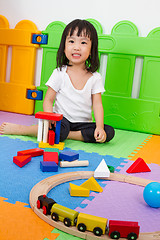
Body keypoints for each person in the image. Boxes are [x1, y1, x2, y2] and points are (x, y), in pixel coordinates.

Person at [0, 19, 115, 143]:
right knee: (58, 129)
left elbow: (98, 104)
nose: (76, 47)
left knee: (109, 132)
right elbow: (48, 100)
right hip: (60, 120)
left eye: (83, 42)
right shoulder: (59, 73)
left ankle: (66, 135)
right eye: (71, 41)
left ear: (92, 49)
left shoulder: (95, 77)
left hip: (83, 124)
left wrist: (99, 127)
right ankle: (24, 130)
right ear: (64, 47)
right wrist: (50, 117)